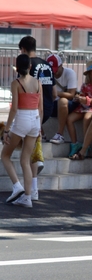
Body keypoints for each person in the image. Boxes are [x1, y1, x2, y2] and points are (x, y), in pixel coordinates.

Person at [1, 54, 43, 208]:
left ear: (17, 67)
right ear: (30, 66)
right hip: (35, 120)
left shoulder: (16, 83)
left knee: (5, 155)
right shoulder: (38, 83)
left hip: (22, 118)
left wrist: (6, 130)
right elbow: (41, 108)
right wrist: (38, 127)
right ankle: (27, 196)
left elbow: (14, 110)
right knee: (25, 160)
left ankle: (17, 186)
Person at [18, 36, 54, 199]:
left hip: (32, 110)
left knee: (28, 151)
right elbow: (53, 93)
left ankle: (31, 190)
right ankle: (33, 189)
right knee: (32, 144)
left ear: (23, 49)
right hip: (47, 107)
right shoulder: (47, 64)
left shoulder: (28, 65)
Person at [68, 61, 92, 160]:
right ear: (89, 73)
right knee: (69, 119)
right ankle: (74, 143)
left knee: (87, 118)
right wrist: (79, 98)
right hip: (83, 107)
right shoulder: (85, 84)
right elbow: (81, 94)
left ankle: (86, 146)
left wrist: (86, 100)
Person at [47, 54, 79, 145]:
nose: (55, 73)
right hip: (52, 105)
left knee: (63, 101)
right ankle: (41, 134)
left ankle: (60, 134)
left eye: (56, 70)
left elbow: (71, 95)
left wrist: (55, 93)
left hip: (68, 104)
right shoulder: (47, 74)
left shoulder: (70, 73)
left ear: (61, 66)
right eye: (52, 71)